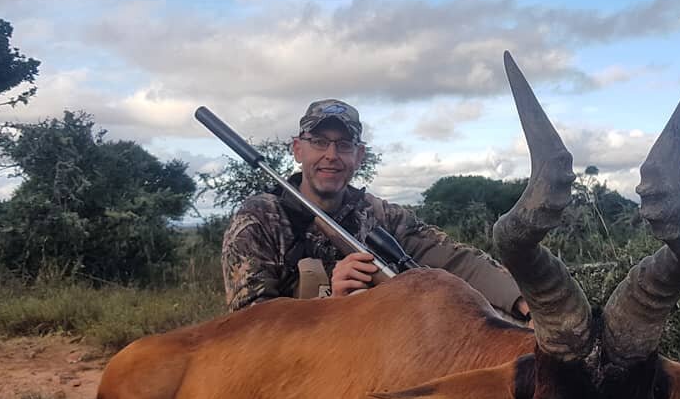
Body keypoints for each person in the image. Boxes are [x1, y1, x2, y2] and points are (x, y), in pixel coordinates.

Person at [221, 98, 529, 319]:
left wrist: (522, 300)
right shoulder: (257, 221)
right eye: (319, 142)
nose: (331, 155)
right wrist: (331, 302)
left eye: (343, 145)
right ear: (298, 149)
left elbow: (457, 260)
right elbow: (251, 329)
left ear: (359, 156)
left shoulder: (379, 215)